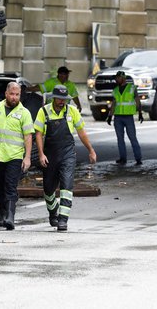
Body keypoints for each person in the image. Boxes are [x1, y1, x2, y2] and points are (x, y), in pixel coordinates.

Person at [34, 85, 97, 231]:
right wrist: (41, 154)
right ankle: (53, 212)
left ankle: (63, 220)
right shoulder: (43, 111)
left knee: (66, 186)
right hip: (49, 155)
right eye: (60, 99)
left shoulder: (72, 111)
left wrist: (91, 150)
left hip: (68, 154)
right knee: (48, 189)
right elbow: (38, 134)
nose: (62, 102)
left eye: (64, 99)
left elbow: (81, 132)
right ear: (53, 98)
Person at [0, 81, 34, 230]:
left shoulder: (24, 113)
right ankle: (2, 215)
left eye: (17, 95)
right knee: (0, 187)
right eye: (12, 94)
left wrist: (27, 157)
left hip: (14, 156)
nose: (14, 97)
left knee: (10, 186)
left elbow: (28, 136)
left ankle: (10, 217)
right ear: (6, 94)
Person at [106, 71, 143, 166]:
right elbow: (114, 104)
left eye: (117, 77)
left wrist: (140, 113)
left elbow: (137, 101)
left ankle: (138, 159)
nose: (116, 79)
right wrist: (110, 116)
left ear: (123, 78)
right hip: (118, 118)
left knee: (132, 138)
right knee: (120, 139)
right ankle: (123, 158)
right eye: (115, 78)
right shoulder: (115, 90)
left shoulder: (131, 88)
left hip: (128, 117)